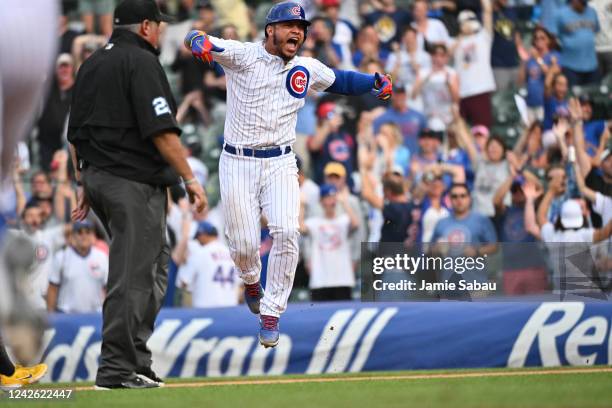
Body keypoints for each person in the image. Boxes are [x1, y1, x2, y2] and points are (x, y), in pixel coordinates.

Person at [184, 1, 392, 348]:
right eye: (288, 26)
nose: (297, 31)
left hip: (281, 161)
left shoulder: (305, 68)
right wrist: (197, 41)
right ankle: (251, 280)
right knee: (246, 244)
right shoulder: (244, 55)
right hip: (238, 160)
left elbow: (340, 80)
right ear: (270, 30)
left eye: (301, 27)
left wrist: (373, 81)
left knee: (286, 230)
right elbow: (201, 39)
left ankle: (272, 312)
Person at [68, 0, 207, 390]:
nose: (162, 31)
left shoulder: (92, 63)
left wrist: (83, 181)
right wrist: (190, 180)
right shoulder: (142, 62)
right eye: (159, 24)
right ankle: (114, 370)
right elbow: (162, 131)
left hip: (100, 177)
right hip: (129, 182)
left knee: (154, 267)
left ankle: (136, 360)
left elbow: (75, 132)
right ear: (145, 25)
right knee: (132, 277)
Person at [299, 184, 359, 301]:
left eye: (333, 197)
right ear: (321, 201)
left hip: (343, 279)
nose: (331, 201)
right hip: (320, 280)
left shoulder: (343, 220)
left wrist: (345, 202)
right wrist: (301, 205)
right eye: (328, 198)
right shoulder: (315, 222)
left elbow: (355, 224)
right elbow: (301, 228)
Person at [47, 221, 109, 314]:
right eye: (79, 232)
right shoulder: (61, 257)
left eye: (88, 232)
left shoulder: (101, 257)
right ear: (72, 236)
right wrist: (50, 316)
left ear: (93, 235)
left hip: (95, 315)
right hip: (67, 314)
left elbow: (107, 288)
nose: (84, 236)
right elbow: (53, 289)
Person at [174, 221, 241, 308]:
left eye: (198, 237)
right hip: (230, 308)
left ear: (202, 235)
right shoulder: (231, 254)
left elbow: (183, 282)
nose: (198, 241)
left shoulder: (199, 253)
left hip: (205, 309)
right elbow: (241, 284)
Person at [452, 0, 496, 128]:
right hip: (461, 94)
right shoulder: (456, 41)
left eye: (470, 20)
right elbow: (446, 55)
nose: (468, 24)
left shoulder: (483, 37)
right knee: (461, 132)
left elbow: (487, 13)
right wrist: (459, 36)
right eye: (465, 21)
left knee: (482, 129)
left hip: (480, 90)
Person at [551, 0, 601, 86]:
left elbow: (596, 31)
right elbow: (552, 38)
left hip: (592, 65)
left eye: (584, 3)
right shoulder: (560, 14)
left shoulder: (592, 12)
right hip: (570, 66)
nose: (583, 4)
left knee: (593, 97)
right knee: (573, 97)